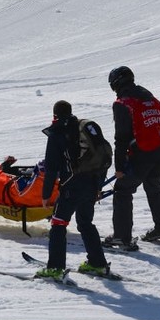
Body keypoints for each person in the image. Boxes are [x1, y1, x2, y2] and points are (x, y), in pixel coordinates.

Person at [102, 66, 160, 250]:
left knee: (122, 190)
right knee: (153, 186)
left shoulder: (124, 103)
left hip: (143, 152)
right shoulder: (153, 100)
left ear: (115, 84)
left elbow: (121, 138)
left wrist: (120, 167)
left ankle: (121, 238)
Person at [36, 100, 110, 279]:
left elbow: (52, 168)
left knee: (58, 223)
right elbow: (102, 157)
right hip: (92, 183)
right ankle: (97, 264)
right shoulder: (82, 128)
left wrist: (46, 195)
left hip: (72, 185)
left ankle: (55, 269)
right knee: (85, 223)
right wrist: (98, 186)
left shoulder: (57, 134)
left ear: (54, 115)